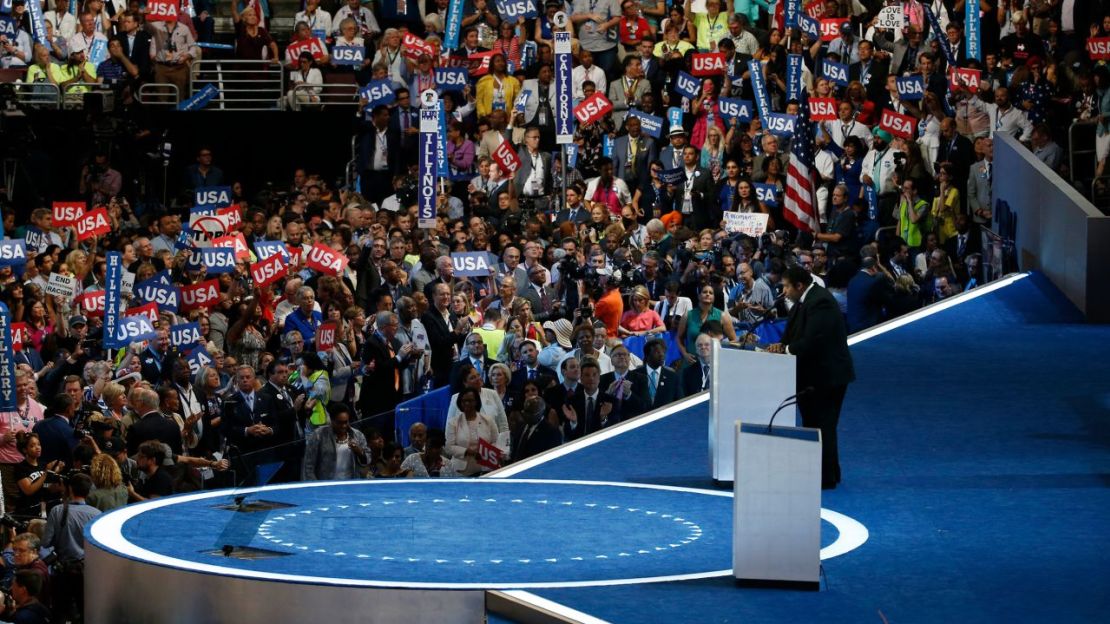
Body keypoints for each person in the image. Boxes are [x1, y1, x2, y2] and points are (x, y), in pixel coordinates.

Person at [767, 267, 855, 490]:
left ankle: (825, 478)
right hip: (814, 375)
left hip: (827, 376)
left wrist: (786, 350)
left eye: (786, 287)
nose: (783, 291)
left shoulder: (820, 301)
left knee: (823, 424)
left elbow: (815, 339)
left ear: (799, 286)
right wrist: (782, 345)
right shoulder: (806, 300)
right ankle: (827, 472)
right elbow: (795, 332)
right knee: (815, 424)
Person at [43, 472, 100, 624]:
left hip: (63, 571)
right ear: (88, 491)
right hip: (87, 573)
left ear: (69, 489)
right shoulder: (97, 515)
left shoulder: (57, 510)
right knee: (84, 612)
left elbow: (46, 542)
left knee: (59, 613)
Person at [302, 405, 368, 480]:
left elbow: (367, 459)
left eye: (346, 422)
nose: (343, 426)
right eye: (340, 423)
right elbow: (308, 465)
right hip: (326, 486)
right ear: (332, 420)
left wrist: (359, 452)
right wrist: (315, 486)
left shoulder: (357, 435)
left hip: (350, 484)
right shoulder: (318, 435)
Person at [627, 338, 682, 416]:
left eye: (663, 352)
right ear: (647, 355)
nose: (661, 355)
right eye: (657, 352)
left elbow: (679, 401)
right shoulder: (634, 375)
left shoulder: (673, 376)